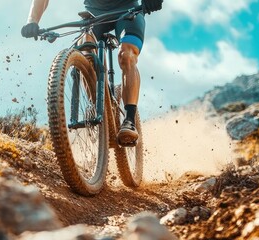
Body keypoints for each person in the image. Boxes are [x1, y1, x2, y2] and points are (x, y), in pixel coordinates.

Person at [21, 0, 163, 145]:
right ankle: (97, 106)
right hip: (94, 14)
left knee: (127, 56)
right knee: (85, 51)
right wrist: (32, 21)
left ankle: (129, 120)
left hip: (129, 11)